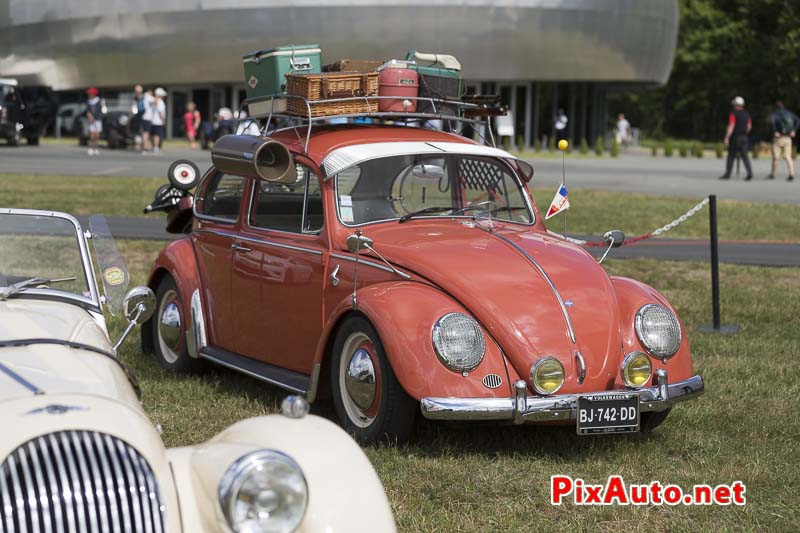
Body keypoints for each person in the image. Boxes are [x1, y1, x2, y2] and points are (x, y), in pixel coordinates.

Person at [719, 96, 753, 181]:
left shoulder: (733, 114)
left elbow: (731, 126)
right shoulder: (746, 113)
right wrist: (745, 133)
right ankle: (750, 173)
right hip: (744, 137)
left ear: (736, 105)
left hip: (735, 138)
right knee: (745, 156)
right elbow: (749, 126)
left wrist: (727, 137)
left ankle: (727, 174)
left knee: (731, 156)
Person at [768, 101, 798, 181]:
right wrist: (794, 130)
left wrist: (775, 131)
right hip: (788, 138)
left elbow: (772, 123)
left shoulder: (775, 114)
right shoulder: (789, 113)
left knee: (776, 157)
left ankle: (772, 174)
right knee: (788, 156)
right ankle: (791, 173)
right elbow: (798, 120)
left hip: (778, 138)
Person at [148, 87, 167, 154]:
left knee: (153, 135)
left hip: (152, 120)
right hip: (158, 121)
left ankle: (154, 146)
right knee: (157, 135)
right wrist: (163, 120)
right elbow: (160, 112)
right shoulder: (160, 102)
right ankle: (156, 147)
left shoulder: (153, 101)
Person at [84, 87, 103, 156]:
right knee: (92, 135)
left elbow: (100, 111)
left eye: (90, 93)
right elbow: (87, 111)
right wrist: (90, 117)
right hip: (91, 121)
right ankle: (90, 148)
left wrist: (97, 117)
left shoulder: (98, 101)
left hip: (97, 120)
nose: (89, 95)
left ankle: (95, 148)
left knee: (97, 135)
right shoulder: (88, 102)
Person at [140, 88, 154, 153]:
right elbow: (156, 101)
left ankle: (143, 147)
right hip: (147, 117)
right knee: (146, 133)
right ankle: (144, 148)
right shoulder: (148, 96)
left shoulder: (144, 96)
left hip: (143, 117)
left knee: (144, 133)